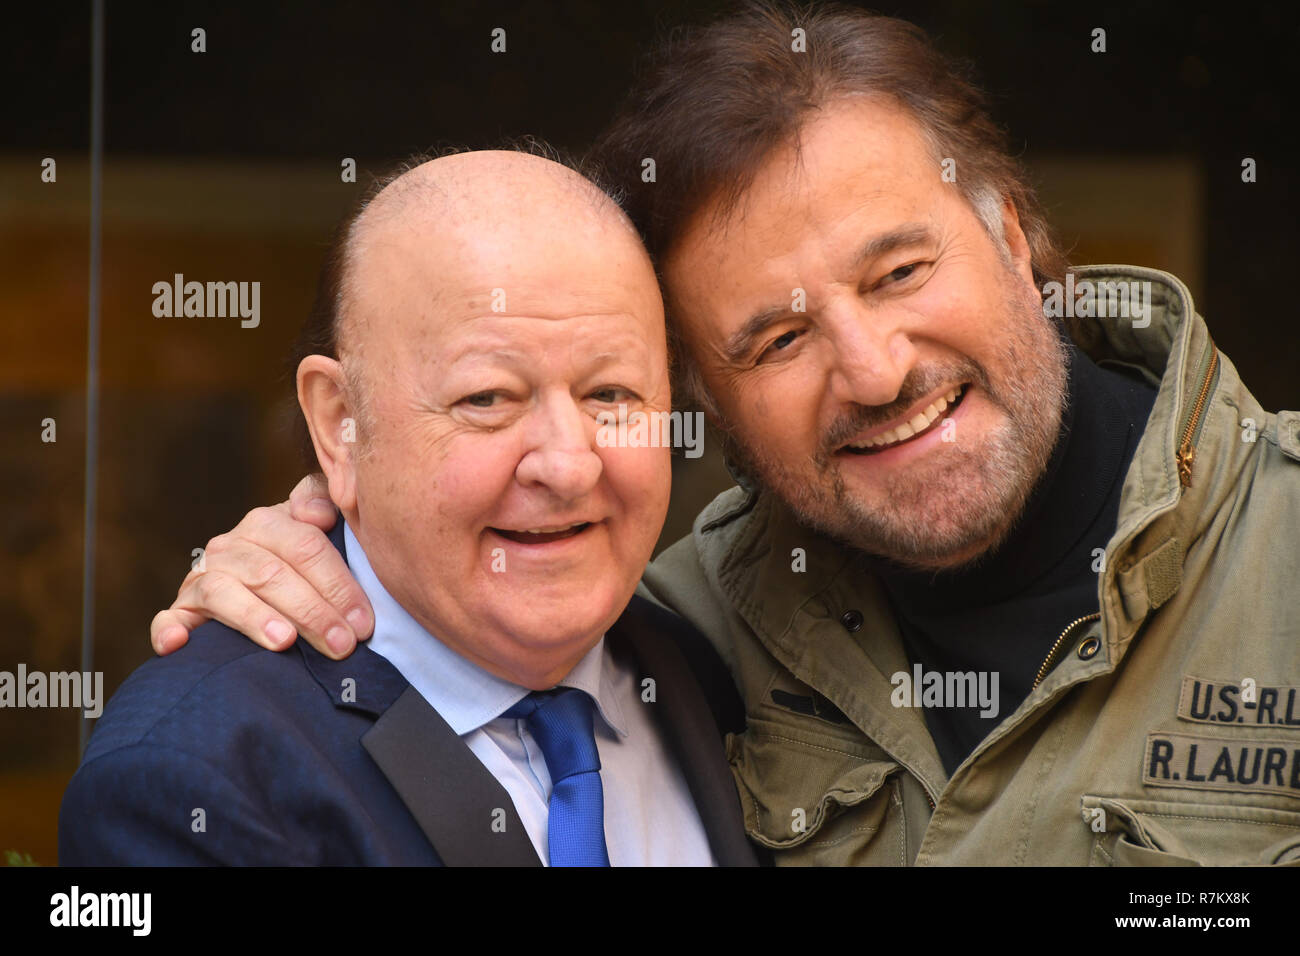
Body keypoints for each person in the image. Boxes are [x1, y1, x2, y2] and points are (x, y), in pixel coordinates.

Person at [149, 3, 1300, 865]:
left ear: (1011, 233)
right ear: (703, 399)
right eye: (775, 340)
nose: (875, 368)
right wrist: (305, 543)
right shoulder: (681, 626)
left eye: (899, 270)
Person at [59, 148, 758, 867]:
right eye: (487, 398)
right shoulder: (193, 780)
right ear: (339, 424)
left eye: (610, 394)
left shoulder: (715, 680)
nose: (569, 465)